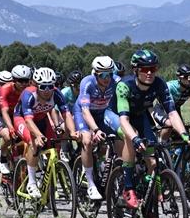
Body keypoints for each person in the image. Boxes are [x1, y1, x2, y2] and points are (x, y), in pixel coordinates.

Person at [115, 49, 190, 208]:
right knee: (131, 137)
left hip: (140, 116)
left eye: (153, 68)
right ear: (135, 69)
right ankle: (128, 188)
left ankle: (148, 201)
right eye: (144, 69)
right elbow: (123, 119)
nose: (149, 73)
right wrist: (135, 139)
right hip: (118, 116)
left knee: (153, 162)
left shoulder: (159, 83)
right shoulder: (124, 85)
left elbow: (172, 113)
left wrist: (184, 135)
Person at [14, 67, 70, 195]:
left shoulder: (56, 93)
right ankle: (32, 183)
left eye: (50, 86)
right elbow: (28, 120)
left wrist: (70, 131)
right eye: (43, 86)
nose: (47, 90)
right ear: (36, 85)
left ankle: (45, 175)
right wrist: (38, 135)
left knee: (54, 145)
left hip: (41, 119)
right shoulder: (28, 94)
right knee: (34, 143)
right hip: (22, 119)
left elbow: (64, 114)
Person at [72, 56, 122, 201]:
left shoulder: (116, 81)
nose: (107, 78)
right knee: (87, 141)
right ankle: (90, 184)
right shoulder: (87, 83)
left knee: (120, 136)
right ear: (95, 73)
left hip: (102, 112)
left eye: (110, 74)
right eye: (103, 75)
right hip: (83, 113)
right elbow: (86, 111)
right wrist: (95, 129)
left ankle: (116, 174)